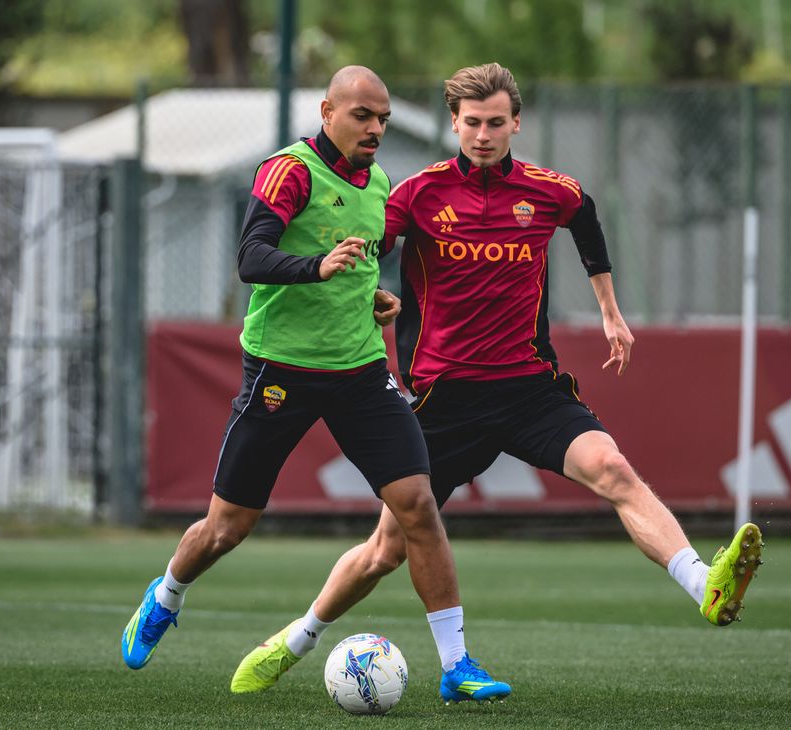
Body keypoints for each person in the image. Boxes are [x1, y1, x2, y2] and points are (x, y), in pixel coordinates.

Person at [236, 62, 766, 697]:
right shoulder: (413, 195)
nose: (482, 135)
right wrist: (373, 298)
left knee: (615, 471)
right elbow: (363, 256)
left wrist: (611, 311)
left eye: (495, 123)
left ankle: (704, 585)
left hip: (529, 390)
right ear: (453, 124)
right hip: (443, 398)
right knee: (385, 552)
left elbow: (586, 219)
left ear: (516, 123)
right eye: (471, 123)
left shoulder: (549, 190)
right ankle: (296, 639)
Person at [120, 65, 511, 704]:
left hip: (359, 372)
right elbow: (251, 257)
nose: (376, 129)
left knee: (418, 504)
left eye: (384, 118)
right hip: (281, 370)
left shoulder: (378, 181)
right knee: (227, 527)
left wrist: (377, 298)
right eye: (363, 115)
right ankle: (165, 597)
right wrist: (314, 266)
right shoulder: (291, 170)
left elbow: (351, 268)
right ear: (328, 111)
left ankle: (457, 665)